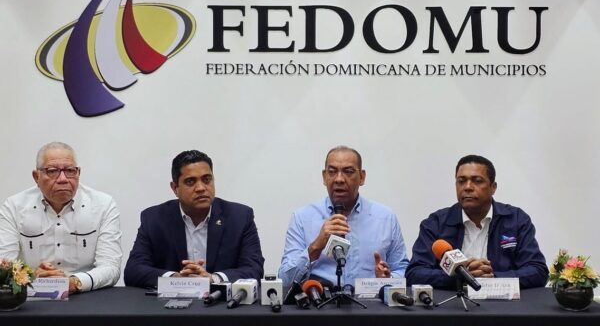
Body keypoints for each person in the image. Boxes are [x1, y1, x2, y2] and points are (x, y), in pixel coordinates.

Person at [124, 150, 264, 288]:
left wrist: (212, 279)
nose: (201, 188)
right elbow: (133, 270)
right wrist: (175, 279)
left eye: (206, 179)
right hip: (170, 301)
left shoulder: (240, 217)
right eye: (190, 181)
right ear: (175, 188)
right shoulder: (154, 219)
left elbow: (254, 269)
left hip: (220, 301)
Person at [406, 154, 548, 289]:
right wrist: (461, 276)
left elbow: (538, 271)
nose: (467, 187)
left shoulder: (516, 220)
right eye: (461, 181)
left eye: (477, 181)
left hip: (502, 303)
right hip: (452, 302)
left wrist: (493, 278)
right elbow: (415, 273)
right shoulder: (436, 223)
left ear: (493, 187)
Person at [278, 146, 409, 288]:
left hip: (370, 300)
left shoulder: (385, 218)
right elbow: (284, 281)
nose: (339, 179)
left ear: (362, 177)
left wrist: (388, 279)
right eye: (332, 172)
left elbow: (403, 270)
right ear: (324, 177)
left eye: (348, 172)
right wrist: (315, 247)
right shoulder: (302, 218)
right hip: (319, 300)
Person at [0, 142, 122, 293]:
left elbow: (111, 267)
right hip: (32, 294)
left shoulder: (103, 205)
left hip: (85, 294)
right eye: (52, 171)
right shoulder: (14, 207)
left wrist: (74, 282)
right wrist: (31, 277)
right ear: (36, 176)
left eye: (70, 171)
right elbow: (4, 265)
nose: (63, 179)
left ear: (78, 173)